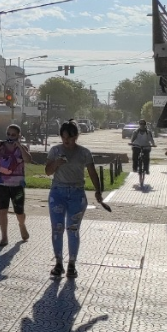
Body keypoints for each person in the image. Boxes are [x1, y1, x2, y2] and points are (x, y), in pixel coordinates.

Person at [45, 119, 105, 279]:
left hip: (77, 194)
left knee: (73, 229)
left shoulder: (84, 152)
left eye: (70, 138)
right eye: (64, 138)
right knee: (57, 228)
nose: (67, 141)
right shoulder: (55, 150)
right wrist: (56, 163)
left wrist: (98, 191)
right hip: (57, 192)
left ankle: (72, 264)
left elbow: (92, 173)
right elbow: (47, 172)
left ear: (76, 137)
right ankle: (58, 263)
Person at [129, 119, 156, 185]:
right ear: (139, 124)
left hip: (146, 146)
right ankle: (135, 168)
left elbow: (151, 139)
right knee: (135, 156)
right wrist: (131, 143)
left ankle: (146, 169)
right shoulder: (136, 131)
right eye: (140, 124)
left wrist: (153, 144)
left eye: (143, 124)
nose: (142, 125)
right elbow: (132, 139)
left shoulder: (148, 132)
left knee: (146, 158)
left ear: (145, 125)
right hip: (137, 146)